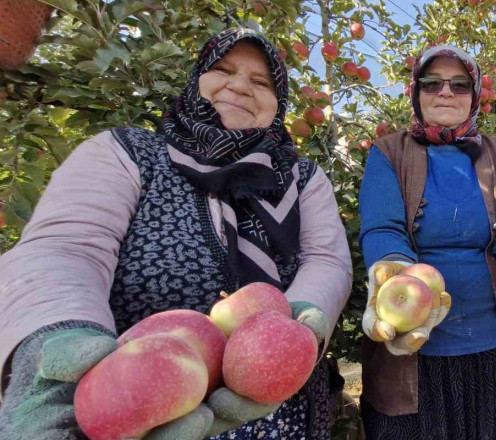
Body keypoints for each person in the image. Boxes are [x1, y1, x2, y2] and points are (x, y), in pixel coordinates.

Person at [0, 28, 352, 440]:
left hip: (284, 404)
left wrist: (294, 330)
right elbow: (67, 248)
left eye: (261, 82)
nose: (239, 86)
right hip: (131, 399)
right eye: (223, 69)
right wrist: (54, 333)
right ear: (196, 78)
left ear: (279, 103)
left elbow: (325, 259)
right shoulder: (127, 152)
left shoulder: (302, 177)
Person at [357, 45, 496, 440]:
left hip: (495, 347)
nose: (445, 92)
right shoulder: (388, 152)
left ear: (474, 96)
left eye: (459, 85)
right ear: (416, 92)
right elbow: (384, 228)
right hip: (416, 351)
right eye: (432, 83)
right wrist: (393, 270)